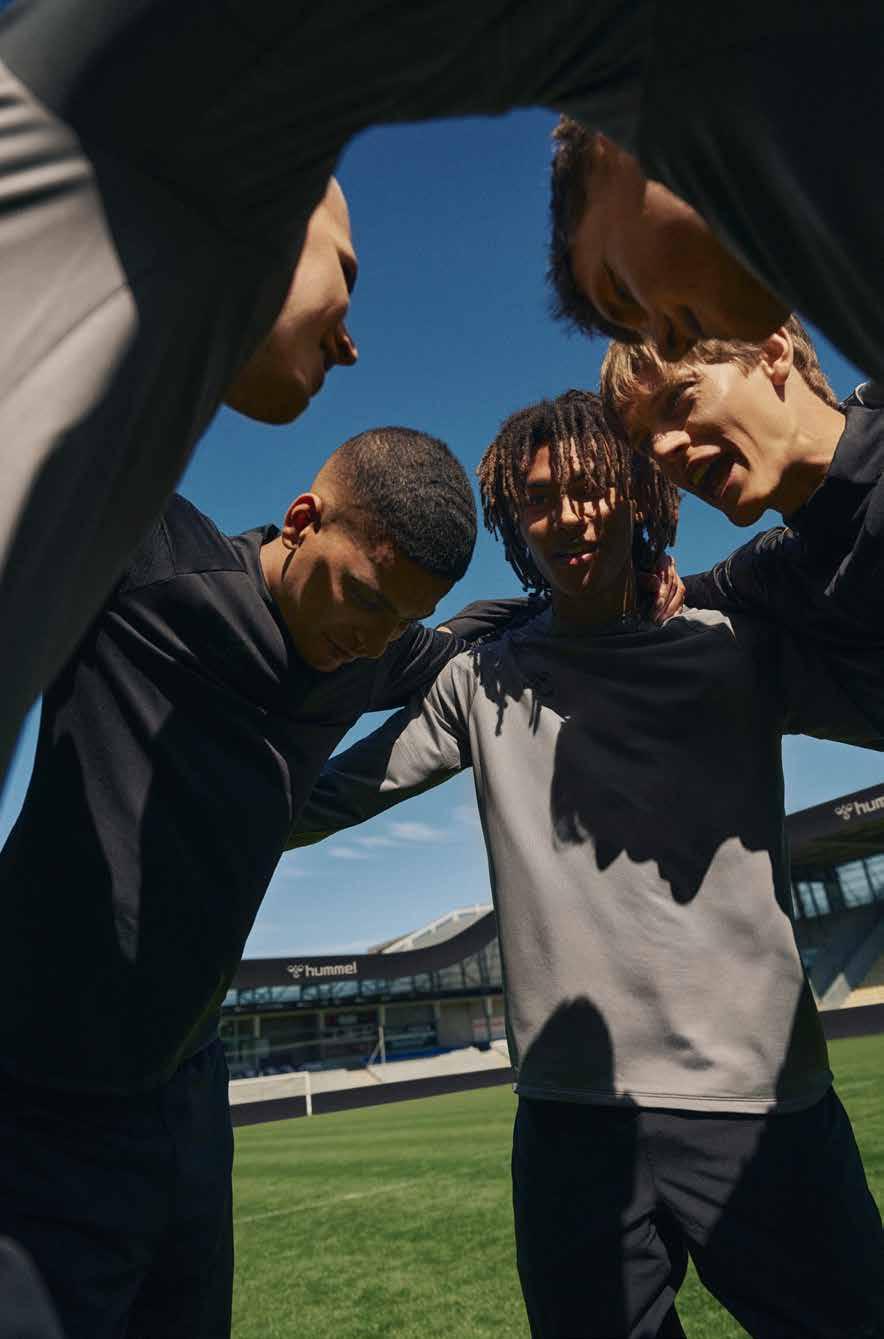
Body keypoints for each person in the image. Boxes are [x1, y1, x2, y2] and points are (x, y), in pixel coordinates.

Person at [4, 2, 884, 786]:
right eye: (627, 311)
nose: (662, 446)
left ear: (775, 353)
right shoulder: (766, 585)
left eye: (629, 301)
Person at [289, 390, 884, 1338]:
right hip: (570, 1122)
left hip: (761, 1102)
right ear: (512, 521)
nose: (567, 516)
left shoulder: (734, 647)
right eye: (538, 498)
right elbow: (320, 801)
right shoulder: (481, 679)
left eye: (590, 488)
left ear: (639, 491)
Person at [0, 425, 482, 1339]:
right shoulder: (149, 562)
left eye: (399, 623)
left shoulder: (371, 648)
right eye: (365, 599)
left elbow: (487, 638)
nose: (371, 641)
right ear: (302, 520)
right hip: (39, 1094)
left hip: (189, 1094)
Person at [599, 318, 884, 732]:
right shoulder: (776, 574)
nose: (663, 449)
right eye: (645, 443)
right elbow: (660, 594)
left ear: (772, 352)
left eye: (679, 399)